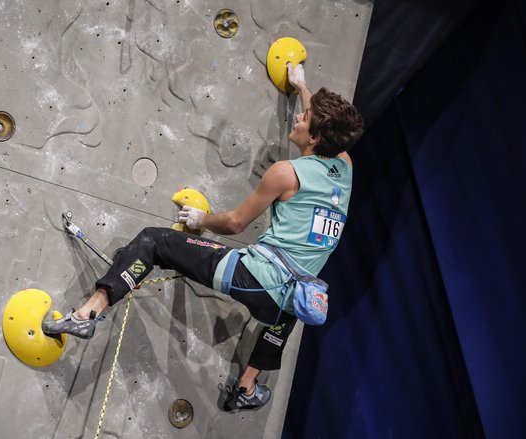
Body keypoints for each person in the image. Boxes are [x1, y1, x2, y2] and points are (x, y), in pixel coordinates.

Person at [43, 62, 364, 411]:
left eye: (305, 118)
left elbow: (236, 223)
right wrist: (302, 86)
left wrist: (202, 218)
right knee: (284, 312)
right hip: (289, 295)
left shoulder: (286, 173)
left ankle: (87, 314)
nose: (299, 117)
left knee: (153, 241)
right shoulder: (344, 165)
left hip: (253, 277)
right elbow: (320, 120)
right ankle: (246, 388)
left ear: (316, 137)